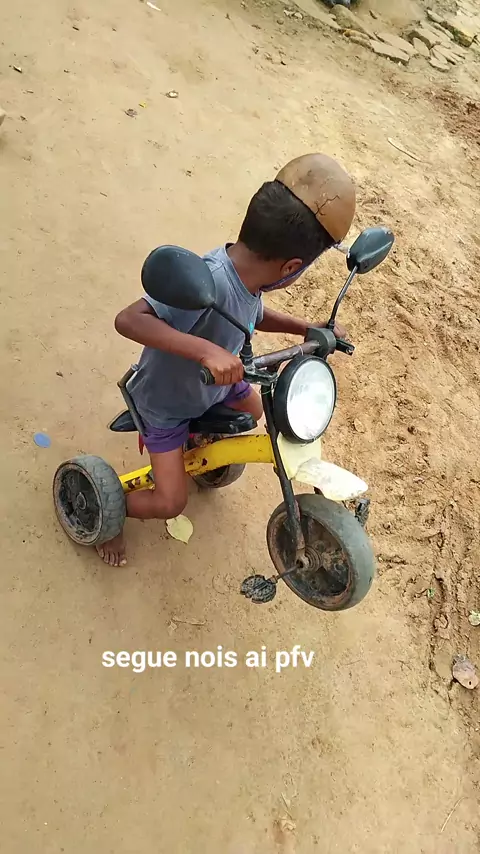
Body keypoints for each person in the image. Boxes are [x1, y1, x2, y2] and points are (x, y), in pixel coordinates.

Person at [98, 153, 356, 566]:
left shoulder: (249, 275)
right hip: (166, 401)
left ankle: (199, 442)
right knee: (170, 502)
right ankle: (109, 514)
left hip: (215, 383)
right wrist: (205, 350)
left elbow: (252, 314)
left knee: (256, 412)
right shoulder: (210, 280)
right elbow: (128, 320)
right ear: (291, 268)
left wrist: (305, 328)